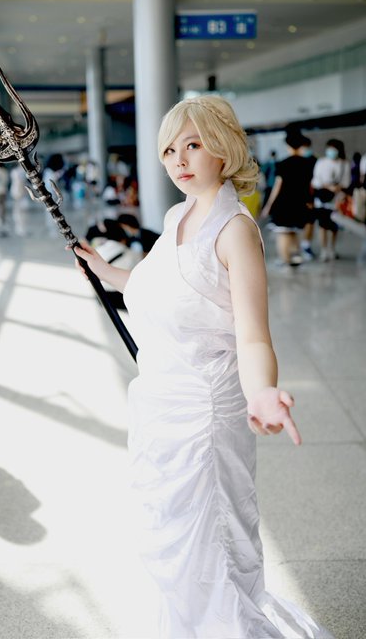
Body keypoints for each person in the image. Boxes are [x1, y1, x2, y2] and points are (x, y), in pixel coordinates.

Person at [69, 95, 334, 638]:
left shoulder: (235, 229)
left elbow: (252, 334)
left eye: (193, 144)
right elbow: (158, 289)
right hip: (160, 405)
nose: (179, 159)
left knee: (210, 540)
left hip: (206, 415)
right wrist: (105, 272)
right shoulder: (178, 216)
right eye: (169, 149)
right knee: (172, 538)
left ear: (223, 148)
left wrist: (263, 391)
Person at [261, 132, 314, 267]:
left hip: (283, 204)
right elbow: (309, 186)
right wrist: (309, 201)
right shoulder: (307, 163)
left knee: (283, 233)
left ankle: (285, 260)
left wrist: (268, 205)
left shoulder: (283, 164)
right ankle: (294, 258)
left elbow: (277, 186)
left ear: (288, 146)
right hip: (299, 203)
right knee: (294, 231)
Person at [311, 138, 350, 261]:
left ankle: (332, 248)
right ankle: (324, 249)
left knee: (334, 226)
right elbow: (316, 181)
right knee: (322, 225)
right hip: (322, 198)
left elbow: (347, 182)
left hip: (337, 199)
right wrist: (328, 186)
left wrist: (337, 188)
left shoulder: (344, 164)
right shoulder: (321, 162)